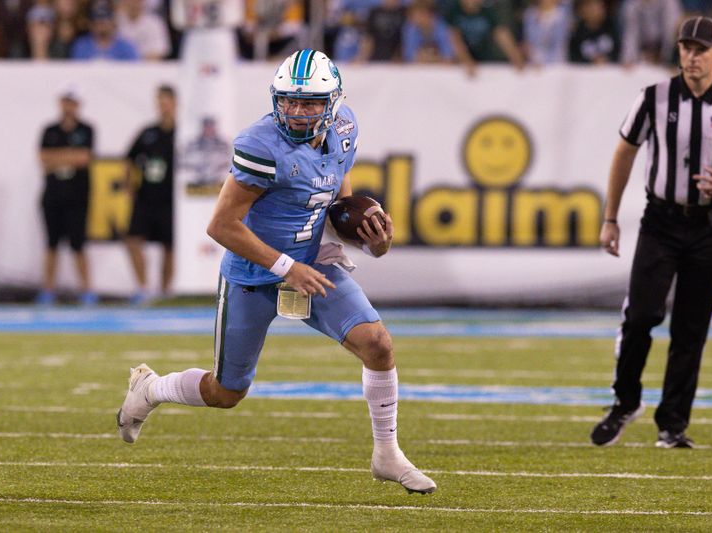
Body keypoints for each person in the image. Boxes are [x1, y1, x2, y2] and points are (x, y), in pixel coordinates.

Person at [116, 49, 437, 494]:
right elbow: (220, 225)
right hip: (253, 276)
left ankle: (387, 453)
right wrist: (286, 267)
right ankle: (151, 389)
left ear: (333, 103)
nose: (297, 111)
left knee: (377, 344)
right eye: (288, 100)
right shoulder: (261, 145)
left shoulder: (344, 131)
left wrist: (374, 244)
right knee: (227, 392)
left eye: (308, 103)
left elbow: (337, 208)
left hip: (310, 266)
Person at [591, 16, 712, 449]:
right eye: (686, 47)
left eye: (701, 48)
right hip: (662, 221)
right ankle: (625, 401)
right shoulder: (654, 97)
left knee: (691, 329)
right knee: (641, 315)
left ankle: (673, 424)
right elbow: (624, 152)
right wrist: (610, 217)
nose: (692, 55)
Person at [36, 83, 97, 306]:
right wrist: (69, 156)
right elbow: (43, 159)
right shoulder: (50, 130)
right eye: (65, 101)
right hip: (53, 196)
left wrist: (57, 157)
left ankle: (87, 290)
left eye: (72, 102)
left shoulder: (86, 129)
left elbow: (84, 158)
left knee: (78, 245)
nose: (68, 106)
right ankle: (48, 290)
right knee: (51, 245)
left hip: (77, 197)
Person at [124, 84, 176, 305]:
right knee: (133, 240)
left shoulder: (182, 133)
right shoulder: (148, 133)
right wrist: (129, 186)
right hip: (146, 197)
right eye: (160, 102)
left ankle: (165, 290)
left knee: (169, 246)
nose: (163, 107)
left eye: (166, 102)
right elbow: (129, 159)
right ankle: (143, 286)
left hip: (170, 199)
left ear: (174, 104)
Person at [70, 0, 139, 61]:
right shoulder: (81, 46)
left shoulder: (126, 48)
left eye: (105, 20)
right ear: (91, 23)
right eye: (97, 20)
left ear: (112, 21)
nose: (101, 25)